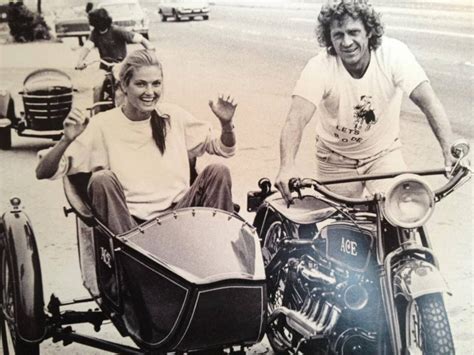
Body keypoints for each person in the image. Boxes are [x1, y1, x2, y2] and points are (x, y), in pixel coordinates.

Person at [36, 49, 238, 235]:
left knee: (218, 171)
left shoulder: (173, 116)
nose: (150, 92)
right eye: (141, 84)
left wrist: (226, 123)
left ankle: (217, 246)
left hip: (180, 218)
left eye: (156, 84)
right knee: (101, 180)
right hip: (131, 229)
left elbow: (225, 149)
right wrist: (66, 139)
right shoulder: (102, 125)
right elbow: (43, 172)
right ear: (124, 85)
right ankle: (132, 260)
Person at [275, 0, 454, 201]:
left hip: (383, 153)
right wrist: (287, 166)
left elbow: (428, 102)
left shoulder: (393, 54)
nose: (347, 42)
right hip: (335, 159)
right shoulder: (320, 66)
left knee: (405, 212)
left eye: (353, 32)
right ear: (329, 39)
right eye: (338, 35)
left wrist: (448, 152)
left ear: (368, 32)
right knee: (343, 226)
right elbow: (296, 119)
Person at [75, 8, 154, 105]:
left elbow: (139, 38)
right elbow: (87, 47)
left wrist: (150, 49)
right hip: (104, 66)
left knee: (120, 87)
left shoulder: (117, 30)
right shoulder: (95, 33)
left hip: (120, 65)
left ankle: (121, 110)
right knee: (97, 86)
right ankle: (96, 112)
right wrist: (80, 60)